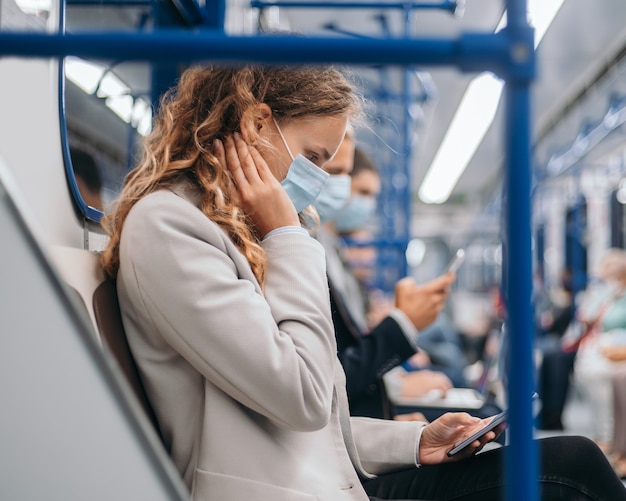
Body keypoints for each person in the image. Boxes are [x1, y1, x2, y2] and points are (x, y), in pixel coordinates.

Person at [101, 63, 626, 501]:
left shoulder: (230, 231)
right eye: (313, 158)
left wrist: (413, 441)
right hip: (278, 489)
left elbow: (310, 412)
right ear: (258, 123)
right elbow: (302, 396)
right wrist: (288, 232)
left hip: (314, 474)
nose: (318, 184)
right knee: (570, 468)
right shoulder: (170, 227)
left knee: (566, 458)